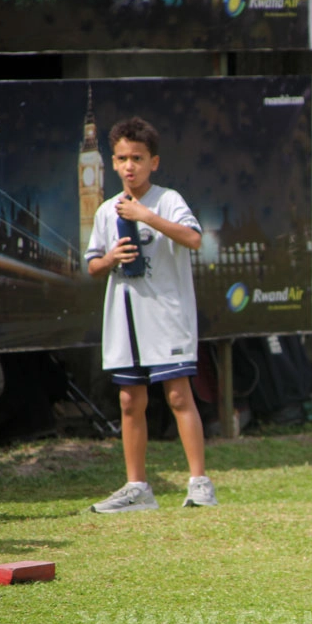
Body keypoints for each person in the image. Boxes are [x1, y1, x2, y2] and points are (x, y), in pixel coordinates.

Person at [84, 116, 217, 513]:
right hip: (126, 318)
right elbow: (91, 265)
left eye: (137, 158)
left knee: (178, 395)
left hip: (167, 315)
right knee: (129, 401)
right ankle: (138, 488)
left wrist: (148, 217)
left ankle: (199, 484)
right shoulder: (107, 210)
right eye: (122, 158)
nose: (129, 166)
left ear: (153, 162)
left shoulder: (168, 200)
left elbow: (194, 239)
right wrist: (110, 258)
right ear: (113, 161)